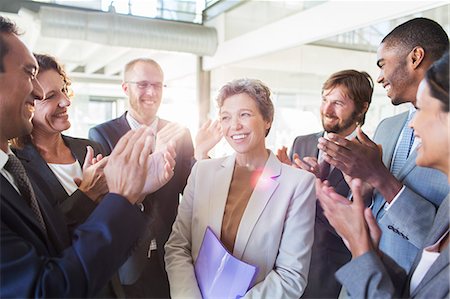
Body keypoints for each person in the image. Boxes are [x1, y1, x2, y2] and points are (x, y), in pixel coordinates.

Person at [0, 17, 176, 298]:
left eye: (63, 91)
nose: (37, 92)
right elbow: (51, 263)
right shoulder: (21, 164)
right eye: (28, 73)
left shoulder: (21, 166)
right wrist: (99, 197)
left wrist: (136, 193)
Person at [317, 17, 449, 271]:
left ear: (415, 58)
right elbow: (375, 208)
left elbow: (441, 243)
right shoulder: (386, 128)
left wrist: (380, 177)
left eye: (382, 64)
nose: (379, 78)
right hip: (368, 275)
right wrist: (362, 189)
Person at [165, 78, 316, 298]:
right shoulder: (203, 172)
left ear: (267, 120)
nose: (234, 126)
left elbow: (291, 275)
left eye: (244, 115)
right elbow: (177, 246)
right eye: (226, 117)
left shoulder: (297, 184)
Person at [89, 58, 194, 298]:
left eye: (158, 85)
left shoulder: (180, 132)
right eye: (143, 84)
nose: (151, 92)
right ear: (125, 88)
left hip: (172, 247)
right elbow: (107, 196)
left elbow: (190, 189)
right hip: (129, 249)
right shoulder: (102, 134)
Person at [277, 69, 373, 298]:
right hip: (288, 267)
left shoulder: (370, 156)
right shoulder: (301, 143)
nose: (327, 110)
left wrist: (317, 188)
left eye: (338, 103)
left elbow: (361, 228)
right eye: (324, 100)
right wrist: (285, 181)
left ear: (362, 108)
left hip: (333, 275)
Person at [12, 53, 107, 233]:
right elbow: (43, 232)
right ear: (27, 103)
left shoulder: (91, 148)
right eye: (50, 96)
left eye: (63, 90)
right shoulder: (15, 166)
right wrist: (88, 194)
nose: (66, 101)